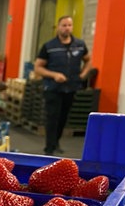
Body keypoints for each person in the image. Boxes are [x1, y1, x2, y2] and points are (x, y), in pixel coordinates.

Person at [34, 15, 92, 156]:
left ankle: (56, 142)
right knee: (52, 116)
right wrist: (54, 75)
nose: (67, 28)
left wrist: (83, 74)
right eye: (64, 25)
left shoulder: (79, 44)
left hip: (71, 88)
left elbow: (88, 61)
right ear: (58, 27)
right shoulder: (49, 46)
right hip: (53, 88)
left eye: (69, 25)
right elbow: (38, 68)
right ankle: (49, 148)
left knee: (63, 117)